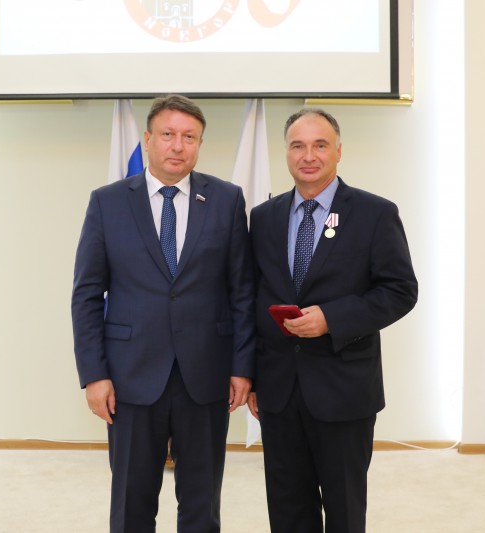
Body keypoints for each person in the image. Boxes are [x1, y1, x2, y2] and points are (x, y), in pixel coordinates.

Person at [72, 94, 255, 532]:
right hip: (130, 377)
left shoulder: (227, 199)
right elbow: (86, 294)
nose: (178, 145)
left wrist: (242, 367)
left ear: (200, 144)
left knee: (201, 504)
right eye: (168, 134)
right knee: (132, 504)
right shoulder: (108, 202)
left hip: (206, 375)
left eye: (189, 137)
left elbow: (242, 292)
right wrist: (94, 374)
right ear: (148, 139)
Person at [247, 109, 418, 533]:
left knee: (344, 511)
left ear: (339, 151)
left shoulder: (375, 213)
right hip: (279, 391)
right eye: (298, 145)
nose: (309, 155)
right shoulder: (264, 217)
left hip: (344, 392)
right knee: (287, 510)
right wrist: (251, 376)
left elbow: (400, 290)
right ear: (286, 152)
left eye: (320, 145)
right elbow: (252, 298)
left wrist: (333, 319)